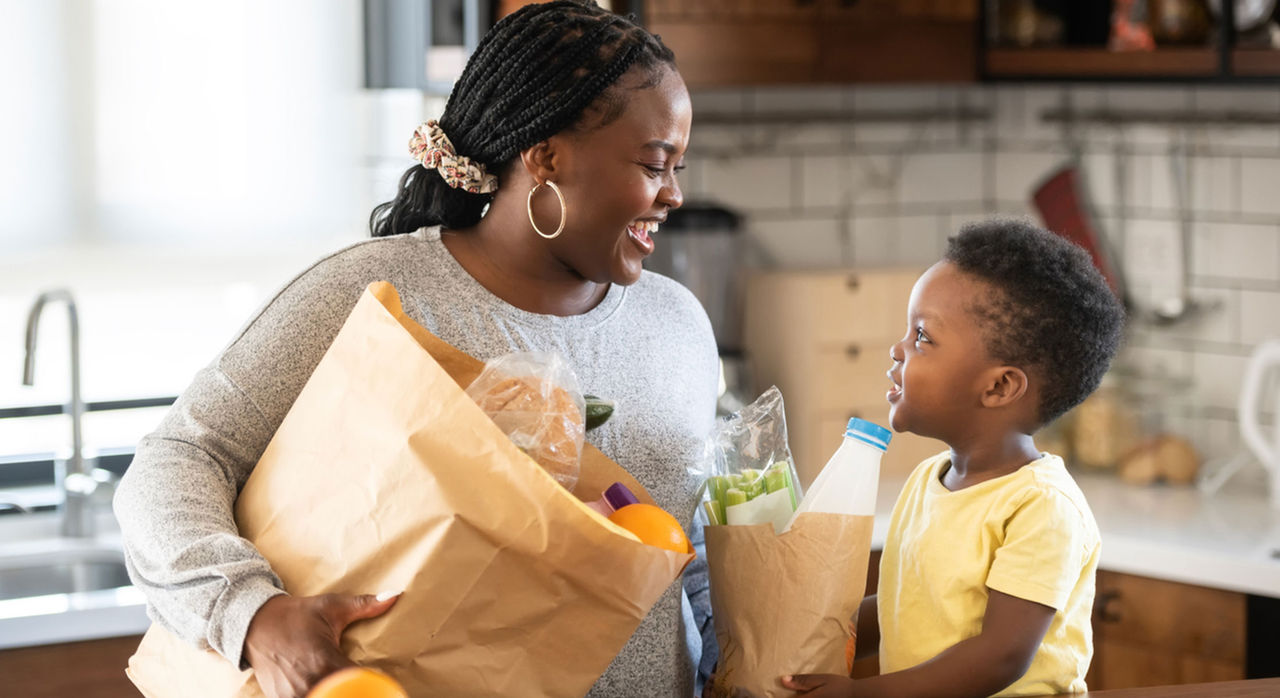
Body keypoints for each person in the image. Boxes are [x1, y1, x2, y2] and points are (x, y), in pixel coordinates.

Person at [113, 3, 719, 697]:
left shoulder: (678, 325)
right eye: (654, 164)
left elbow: (690, 557)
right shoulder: (373, 296)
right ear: (547, 156)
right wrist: (253, 614)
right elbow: (177, 463)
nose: (673, 194)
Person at [783, 220, 1125, 697]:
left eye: (922, 337)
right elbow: (906, 605)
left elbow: (999, 656)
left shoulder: (1042, 508)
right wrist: (807, 637)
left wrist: (862, 694)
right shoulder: (928, 480)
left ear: (999, 386)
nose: (898, 350)